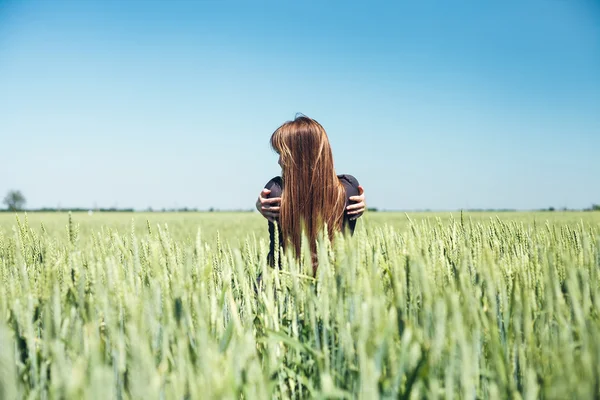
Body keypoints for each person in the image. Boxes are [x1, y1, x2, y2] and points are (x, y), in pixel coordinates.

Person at [255, 115, 366, 275]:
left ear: (302, 155)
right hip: (335, 286)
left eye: (283, 153)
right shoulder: (349, 189)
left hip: (276, 287)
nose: (279, 161)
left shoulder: (276, 190)